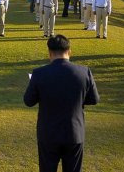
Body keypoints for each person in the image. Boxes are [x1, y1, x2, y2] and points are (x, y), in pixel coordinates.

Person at [24, 35, 99, 172]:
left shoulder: (39, 73)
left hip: (48, 133)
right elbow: (94, 99)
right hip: (74, 132)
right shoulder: (84, 72)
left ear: (50, 53)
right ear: (69, 51)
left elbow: (29, 101)